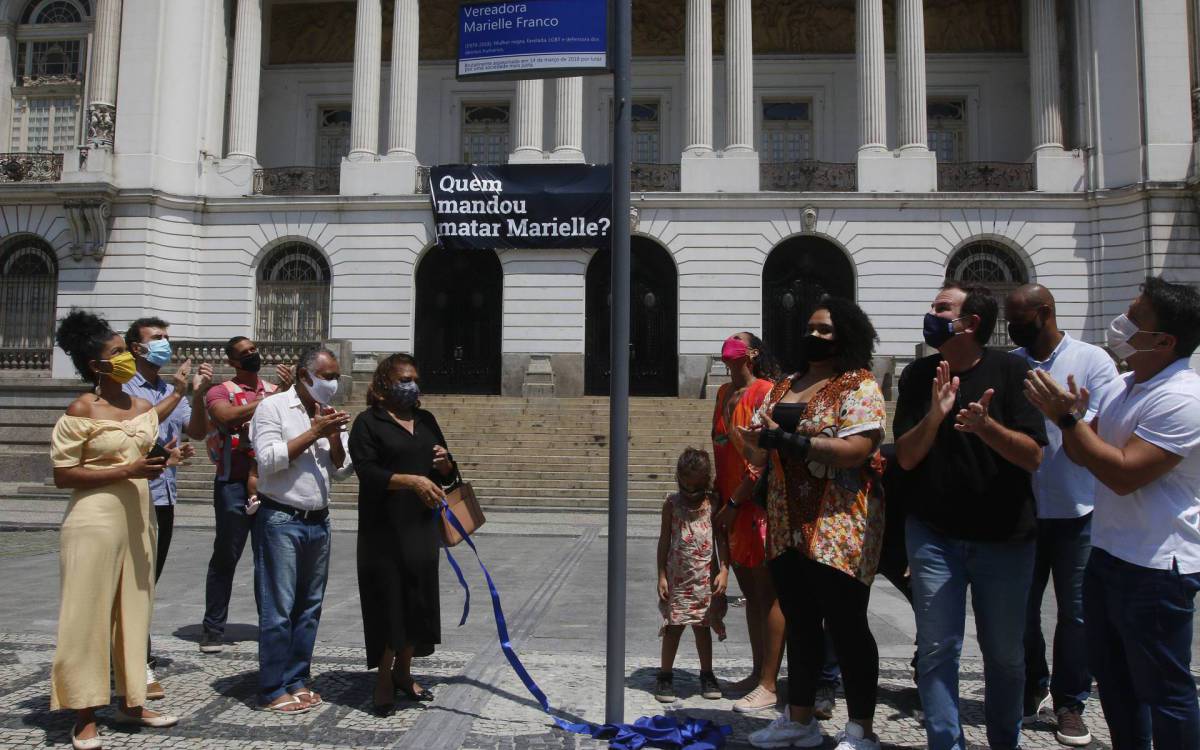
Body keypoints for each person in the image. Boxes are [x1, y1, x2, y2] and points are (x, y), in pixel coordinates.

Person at [1024, 276, 1200, 749]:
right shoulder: (1127, 385)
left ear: (1164, 341)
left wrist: (1068, 420)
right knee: (1116, 683)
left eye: (1134, 320)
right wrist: (1076, 424)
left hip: (1157, 567)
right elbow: (1086, 454)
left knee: (1164, 688)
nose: (1121, 325)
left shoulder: (1183, 397)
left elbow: (1122, 473)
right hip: (1109, 554)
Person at [894, 281, 1046, 750]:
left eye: (942, 308)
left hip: (1004, 537)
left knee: (1004, 655)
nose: (931, 312)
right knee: (938, 650)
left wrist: (985, 427)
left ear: (971, 323)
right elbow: (905, 457)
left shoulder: (1012, 369)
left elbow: (1032, 457)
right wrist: (935, 418)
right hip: (934, 535)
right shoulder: (919, 376)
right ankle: (946, 742)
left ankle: (1005, 741)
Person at [740, 297, 888, 750]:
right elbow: (761, 451)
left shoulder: (858, 385)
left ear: (846, 333)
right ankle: (799, 719)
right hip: (787, 520)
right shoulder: (785, 384)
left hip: (839, 521)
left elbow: (858, 449)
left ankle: (861, 728)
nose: (816, 335)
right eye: (811, 328)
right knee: (800, 623)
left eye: (826, 329)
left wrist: (794, 442)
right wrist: (751, 443)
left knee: (846, 626)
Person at [49, 310, 191, 749]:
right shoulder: (82, 409)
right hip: (92, 522)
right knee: (87, 613)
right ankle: (84, 712)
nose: (127, 356)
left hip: (137, 519)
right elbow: (63, 474)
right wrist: (127, 468)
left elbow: (143, 446)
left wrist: (165, 458)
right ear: (96, 365)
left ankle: (131, 701)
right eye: (117, 352)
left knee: (134, 610)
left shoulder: (143, 407)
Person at [1005, 284, 1118, 747]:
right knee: (1021, 611)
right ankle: (1032, 683)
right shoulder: (1012, 364)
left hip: (1078, 508)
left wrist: (1079, 417)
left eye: (1017, 316)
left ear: (1044, 312)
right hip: (1024, 510)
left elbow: (1112, 427)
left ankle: (1069, 702)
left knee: (1076, 613)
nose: (1011, 326)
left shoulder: (1093, 360)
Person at [348, 354, 459, 716]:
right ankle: (383, 677)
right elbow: (367, 471)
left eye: (414, 378)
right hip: (383, 529)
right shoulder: (368, 423)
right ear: (383, 384)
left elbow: (445, 472)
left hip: (421, 527)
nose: (410, 384)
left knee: (417, 599)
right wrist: (410, 481)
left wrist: (445, 465)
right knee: (388, 602)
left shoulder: (425, 420)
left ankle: (404, 671)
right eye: (403, 378)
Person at [250, 346, 351, 713]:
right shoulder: (273, 408)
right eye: (327, 376)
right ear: (305, 376)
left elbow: (340, 469)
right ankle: (272, 686)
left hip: (318, 520)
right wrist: (313, 433)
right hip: (280, 518)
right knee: (279, 607)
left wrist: (335, 435)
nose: (333, 383)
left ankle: (296, 677)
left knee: (309, 607)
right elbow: (268, 460)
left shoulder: (328, 414)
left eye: (336, 376)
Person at [123, 317, 212, 701]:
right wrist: (177, 392)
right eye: (157, 339)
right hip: (131, 494)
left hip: (163, 497)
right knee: (131, 582)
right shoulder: (124, 388)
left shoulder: (166, 386)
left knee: (147, 582)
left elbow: (196, 430)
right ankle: (131, 660)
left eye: (166, 338)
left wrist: (200, 393)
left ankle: (133, 652)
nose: (165, 345)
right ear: (135, 348)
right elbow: (136, 429)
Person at [199, 336, 293, 653]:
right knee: (226, 556)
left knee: (269, 560)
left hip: (270, 485)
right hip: (233, 484)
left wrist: (290, 393)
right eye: (245, 353)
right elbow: (226, 417)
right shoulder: (220, 391)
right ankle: (213, 628)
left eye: (254, 349)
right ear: (233, 362)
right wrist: (275, 400)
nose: (253, 354)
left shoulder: (272, 389)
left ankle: (270, 625)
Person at [710, 332, 786, 713]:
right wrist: (719, 499)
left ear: (752, 353)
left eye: (737, 342)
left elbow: (764, 458)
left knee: (768, 593)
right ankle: (758, 672)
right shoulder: (723, 394)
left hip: (755, 504)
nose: (729, 346)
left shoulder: (767, 391)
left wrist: (738, 500)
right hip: (730, 505)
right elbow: (719, 447)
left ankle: (770, 681)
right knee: (752, 596)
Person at [654, 447, 729, 704]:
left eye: (696, 488)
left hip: (704, 580)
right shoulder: (672, 504)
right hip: (678, 579)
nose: (690, 493)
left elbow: (721, 539)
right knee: (673, 627)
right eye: (685, 487)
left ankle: (707, 674)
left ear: (706, 482)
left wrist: (725, 570)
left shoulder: (712, 504)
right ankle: (665, 674)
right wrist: (661, 574)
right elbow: (664, 541)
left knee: (702, 628)